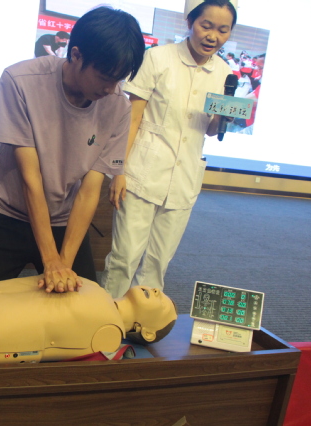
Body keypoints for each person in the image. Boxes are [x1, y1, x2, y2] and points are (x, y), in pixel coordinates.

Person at [0, 6, 145, 321]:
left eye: (118, 79)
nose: (110, 88)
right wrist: (50, 260)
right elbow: (31, 178)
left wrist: (63, 263)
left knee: (82, 314)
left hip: (63, 219)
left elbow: (89, 190)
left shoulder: (118, 107)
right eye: (105, 77)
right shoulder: (20, 80)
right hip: (2, 212)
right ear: (76, 55)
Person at [102, 0, 237, 298]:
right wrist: (118, 170)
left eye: (222, 30)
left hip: (184, 178)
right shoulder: (157, 58)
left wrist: (223, 118)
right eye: (206, 26)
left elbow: (209, 129)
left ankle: (143, 319)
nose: (213, 36)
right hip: (141, 173)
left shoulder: (225, 73)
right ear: (190, 23)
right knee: (124, 258)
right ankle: (107, 317)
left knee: (157, 264)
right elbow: (132, 119)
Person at [0, 276, 177, 363]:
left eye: (162, 302)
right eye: (159, 291)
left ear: (147, 333)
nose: (156, 290)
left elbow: (51, 346)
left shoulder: (110, 334)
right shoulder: (96, 288)